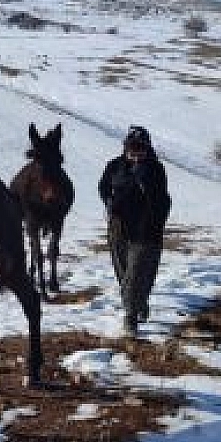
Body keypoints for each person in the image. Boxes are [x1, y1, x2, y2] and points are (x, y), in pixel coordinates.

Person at [98, 126, 171, 335]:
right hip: (118, 229)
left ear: (148, 148)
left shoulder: (155, 169)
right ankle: (139, 303)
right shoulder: (114, 166)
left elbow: (161, 200)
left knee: (137, 274)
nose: (136, 152)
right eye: (131, 147)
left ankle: (130, 317)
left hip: (145, 230)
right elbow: (103, 186)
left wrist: (142, 181)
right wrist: (108, 201)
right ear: (125, 147)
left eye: (140, 147)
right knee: (123, 274)